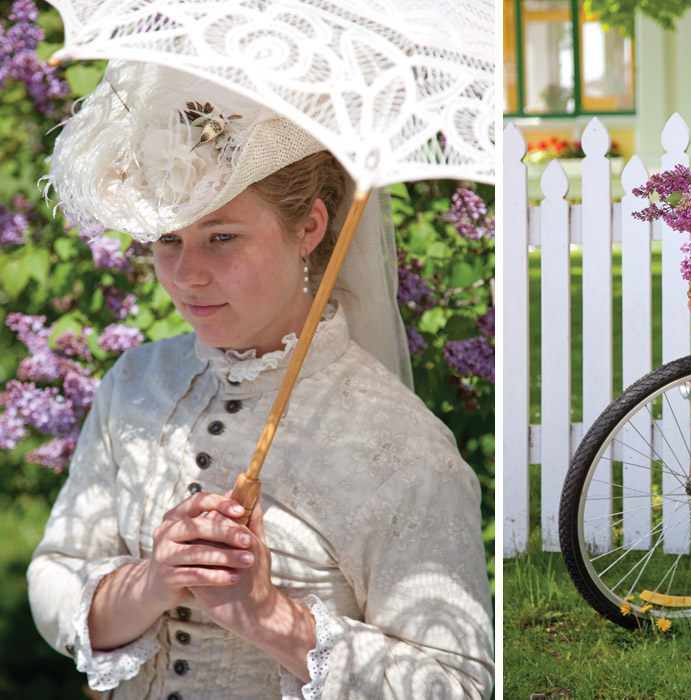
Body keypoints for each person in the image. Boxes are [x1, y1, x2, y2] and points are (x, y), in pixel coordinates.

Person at [27, 61, 493, 699]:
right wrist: (155, 582)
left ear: (308, 228)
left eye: (221, 237)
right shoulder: (138, 382)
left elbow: (459, 684)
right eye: (168, 238)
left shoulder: (403, 448)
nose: (187, 274)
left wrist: (270, 616)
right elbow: (55, 574)